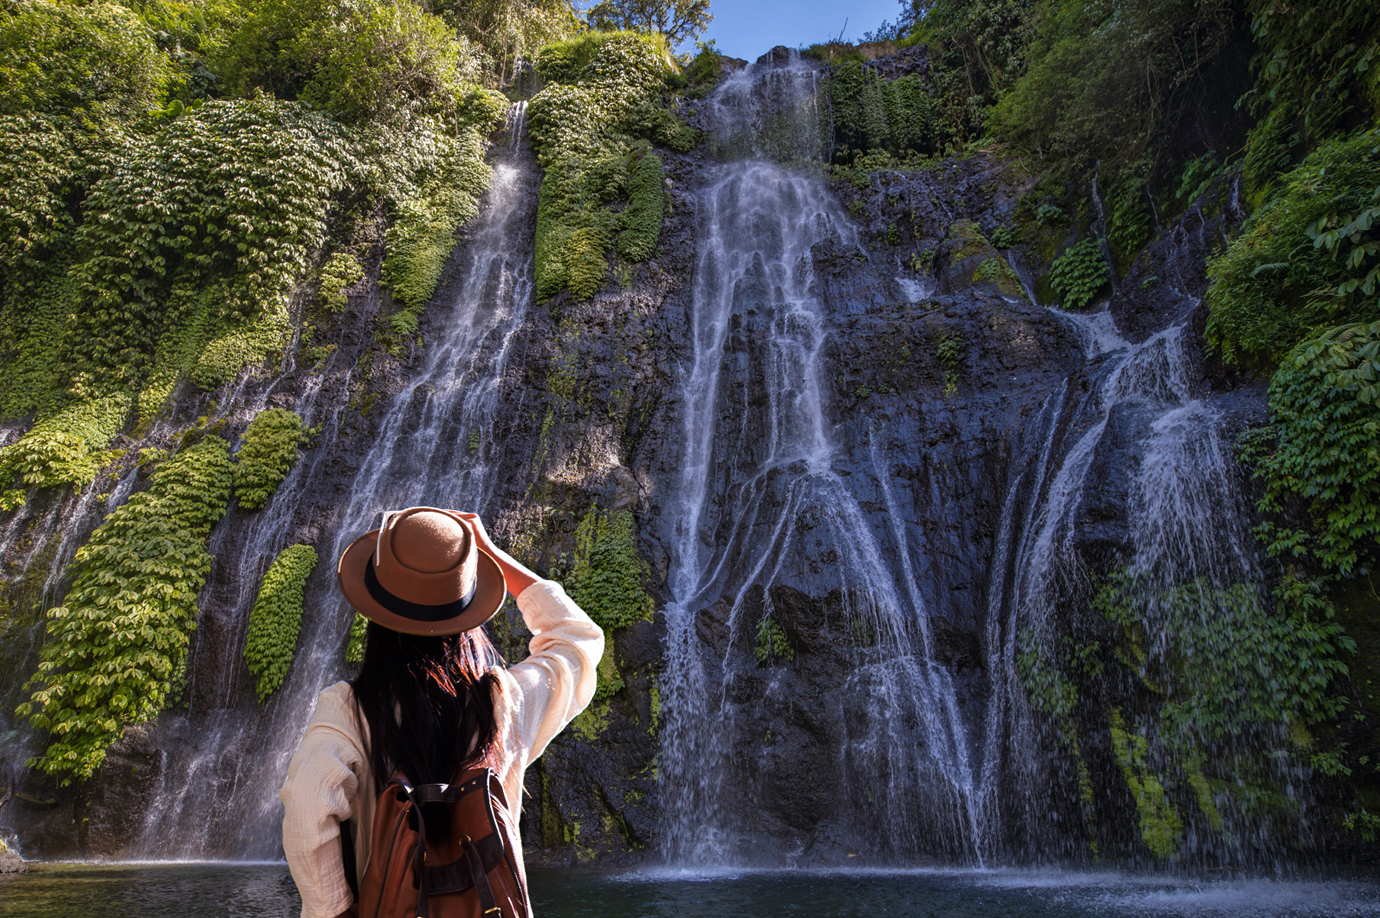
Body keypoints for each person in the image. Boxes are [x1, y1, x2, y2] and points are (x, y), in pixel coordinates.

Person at [280, 506, 604, 918]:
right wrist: (492, 556)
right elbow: (578, 641)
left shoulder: (349, 708)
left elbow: (308, 809)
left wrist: (333, 910)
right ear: (468, 612)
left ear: (377, 615)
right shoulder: (506, 700)